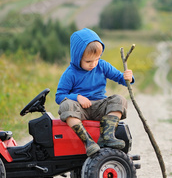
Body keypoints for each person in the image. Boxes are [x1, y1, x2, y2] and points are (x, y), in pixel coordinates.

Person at [55, 28, 134, 157]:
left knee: (119, 99)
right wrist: (77, 97)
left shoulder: (102, 66)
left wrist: (128, 77)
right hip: (81, 110)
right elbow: (59, 96)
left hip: (99, 106)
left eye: (97, 59)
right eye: (88, 61)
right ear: (77, 57)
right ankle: (88, 142)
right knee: (65, 106)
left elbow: (120, 77)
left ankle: (107, 136)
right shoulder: (70, 73)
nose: (93, 64)